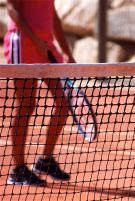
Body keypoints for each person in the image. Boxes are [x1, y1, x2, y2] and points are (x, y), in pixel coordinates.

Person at [4, 0, 75, 186]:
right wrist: (35, 40)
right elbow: (12, 10)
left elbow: (52, 15)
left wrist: (66, 51)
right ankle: (18, 170)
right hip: (23, 43)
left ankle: (45, 160)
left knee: (63, 102)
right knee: (26, 105)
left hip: (47, 45)